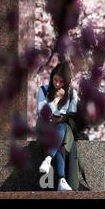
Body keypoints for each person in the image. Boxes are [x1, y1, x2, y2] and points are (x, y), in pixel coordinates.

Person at [36, 61, 78, 191]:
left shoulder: (72, 94)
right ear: (51, 77)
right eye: (55, 80)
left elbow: (74, 114)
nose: (57, 84)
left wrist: (62, 118)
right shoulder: (43, 90)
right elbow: (42, 112)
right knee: (60, 133)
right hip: (44, 128)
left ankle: (48, 160)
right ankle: (61, 180)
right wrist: (56, 99)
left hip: (61, 128)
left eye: (61, 81)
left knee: (62, 129)